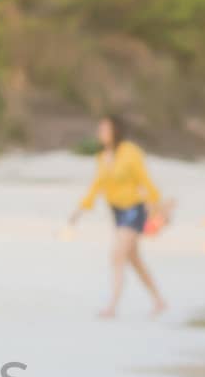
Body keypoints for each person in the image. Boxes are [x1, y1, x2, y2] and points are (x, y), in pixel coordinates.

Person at [68, 115, 169, 318]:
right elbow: (97, 185)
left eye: (105, 129)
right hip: (117, 211)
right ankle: (159, 300)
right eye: (100, 129)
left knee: (117, 255)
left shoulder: (130, 153)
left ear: (116, 131)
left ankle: (112, 306)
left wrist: (158, 207)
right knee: (134, 259)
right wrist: (80, 210)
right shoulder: (102, 156)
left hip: (134, 209)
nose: (101, 133)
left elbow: (145, 180)